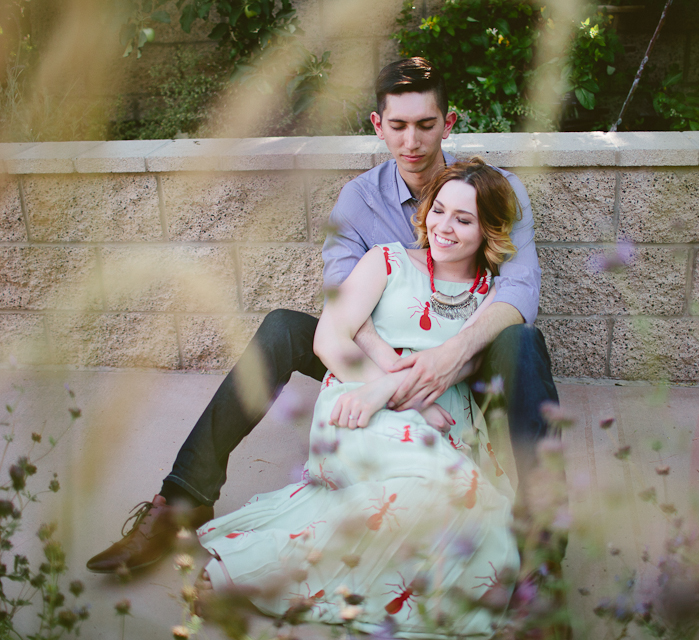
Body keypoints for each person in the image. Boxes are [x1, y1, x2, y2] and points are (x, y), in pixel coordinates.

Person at [86, 57, 558, 574]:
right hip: (382, 354)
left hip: (468, 355)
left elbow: (518, 290)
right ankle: (180, 501)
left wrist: (448, 358)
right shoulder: (357, 201)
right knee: (282, 329)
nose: (412, 143)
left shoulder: (496, 192)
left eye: (426, 125)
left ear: (448, 122)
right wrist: (393, 373)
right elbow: (341, 306)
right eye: (397, 126)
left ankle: (541, 533)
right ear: (378, 126)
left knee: (524, 342)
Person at [196, 158, 521, 636]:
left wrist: (392, 388)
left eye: (464, 219)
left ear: (488, 230)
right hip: (357, 404)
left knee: (483, 519)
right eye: (439, 211)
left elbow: (466, 364)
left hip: (440, 422)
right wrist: (381, 392)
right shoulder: (385, 261)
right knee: (445, 494)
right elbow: (329, 339)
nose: (444, 227)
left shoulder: (491, 297)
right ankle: (250, 572)